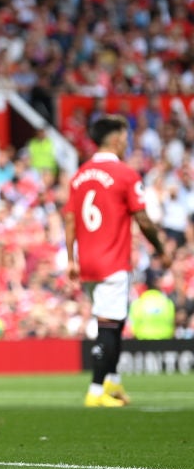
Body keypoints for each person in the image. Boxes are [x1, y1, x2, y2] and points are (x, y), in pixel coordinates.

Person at [64, 114, 173, 408]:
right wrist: (161, 248)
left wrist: (71, 258)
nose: (127, 143)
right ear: (114, 139)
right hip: (112, 260)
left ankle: (113, 381)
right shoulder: (125, 174)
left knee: (115, 321)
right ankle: (96, 392)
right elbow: (143, 219)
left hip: (87, 262)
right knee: (109, 327)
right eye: (125, 138)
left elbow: (70, 219)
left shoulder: (79, 175)